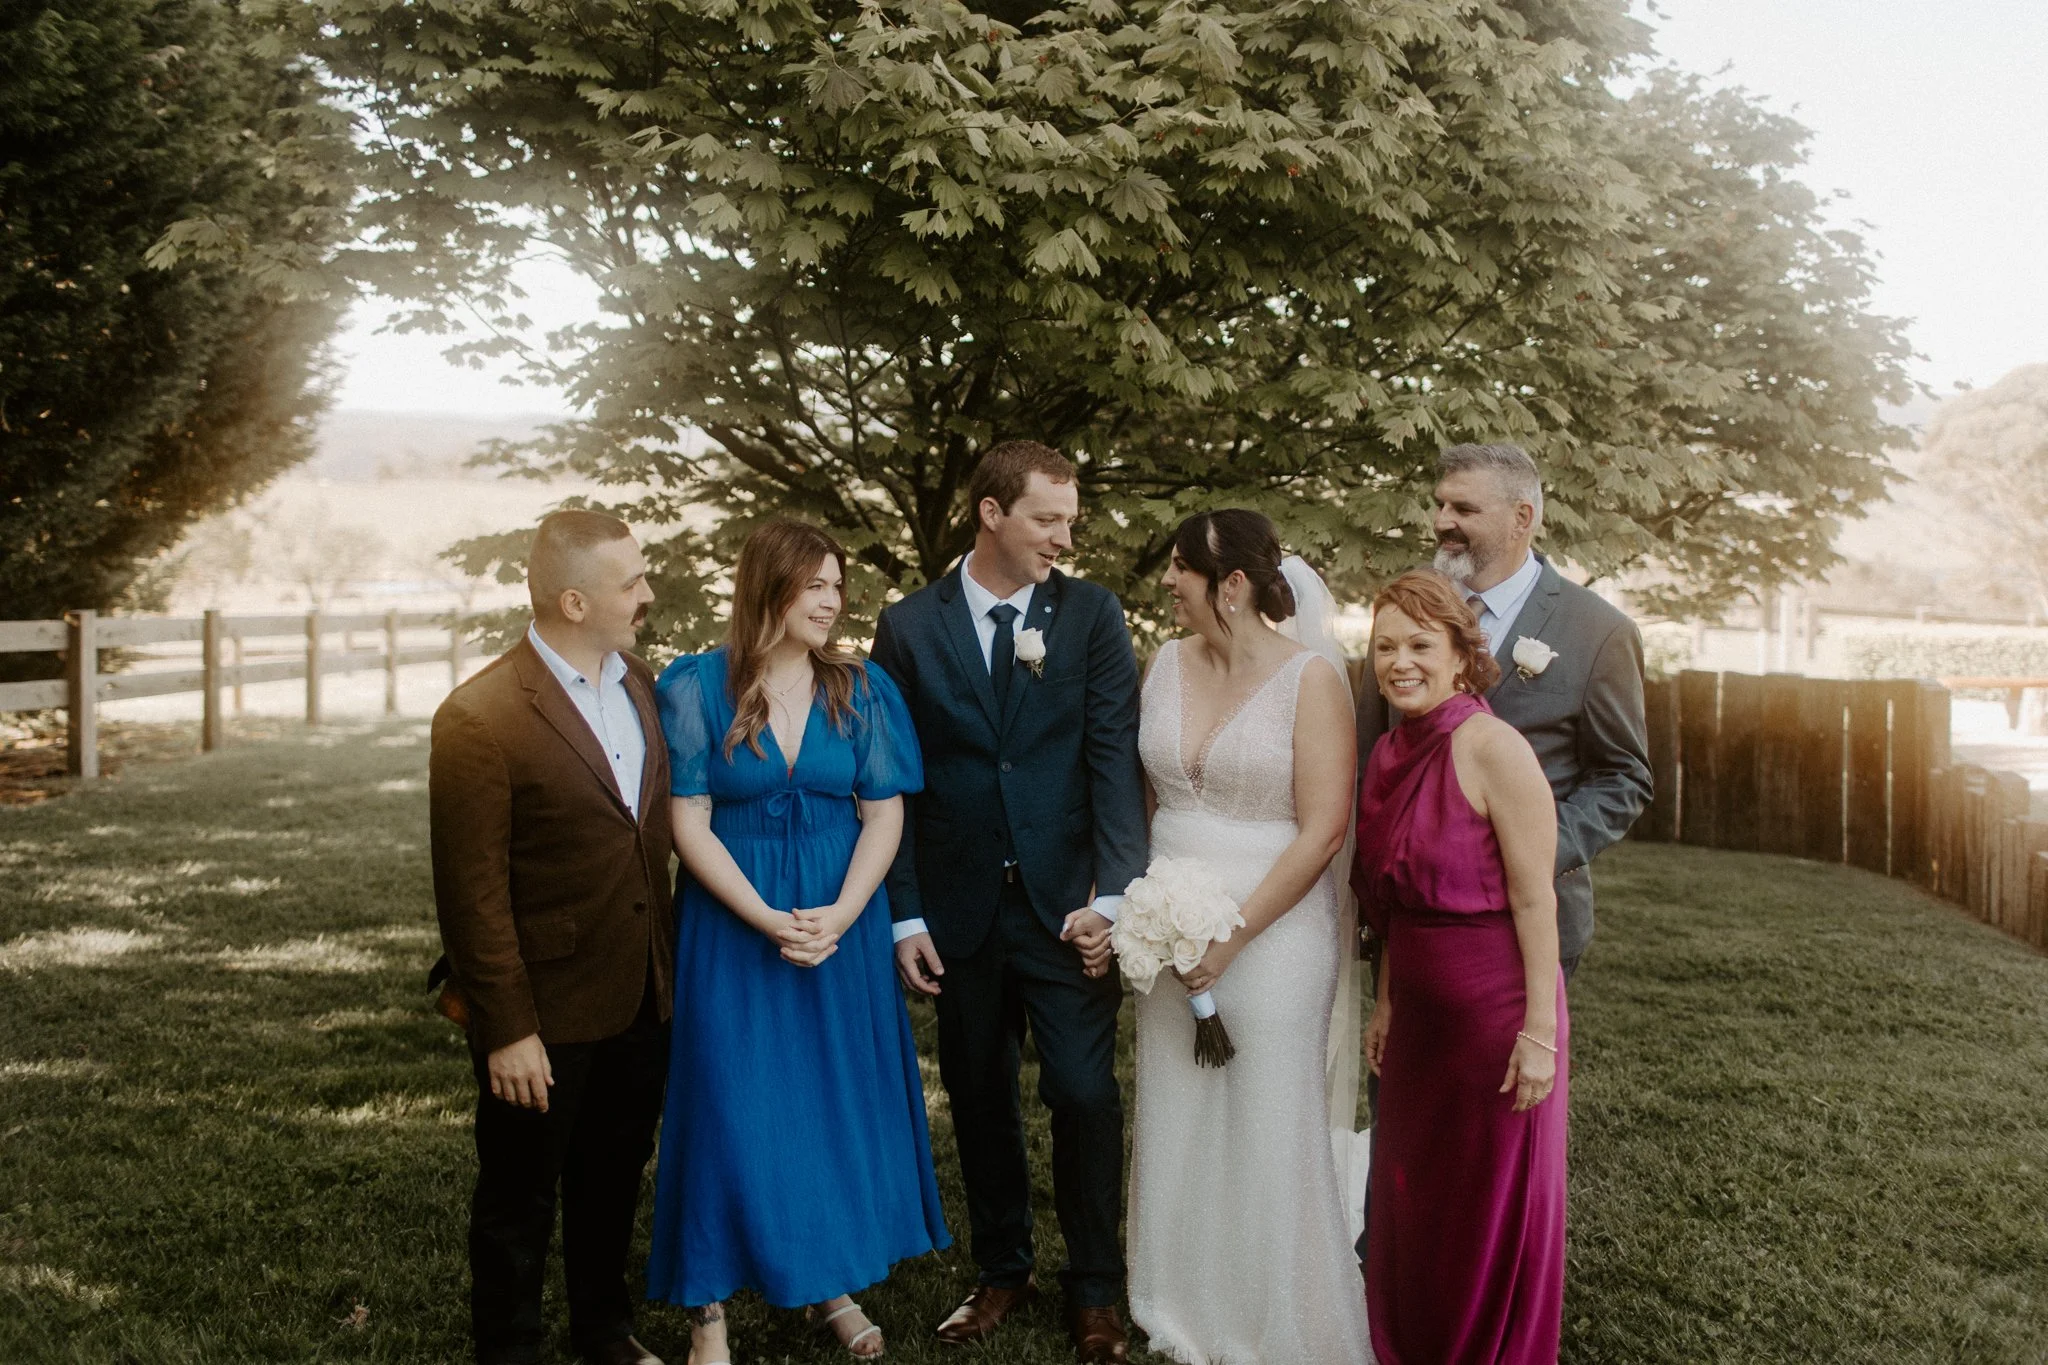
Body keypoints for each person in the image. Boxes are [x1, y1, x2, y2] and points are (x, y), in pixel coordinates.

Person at [870, 440, 1148, 1364]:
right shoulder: (908, 626)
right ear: (991, 513)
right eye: (1046, 519)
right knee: (981, 1094)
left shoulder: (1094, 616)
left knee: (1083, 1092)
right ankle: (1002, 1268)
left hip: (1068, 908)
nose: (1064, 537)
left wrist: (1114, 896)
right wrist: (904, 914)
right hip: (956, 913)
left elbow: (1114, 763)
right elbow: (893, 783)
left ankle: (1097, 1290)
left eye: (1070, 519)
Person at [646, 519, 948, 1365]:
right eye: (813, 584)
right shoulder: (699, 685)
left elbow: (885, 809)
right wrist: (764, 916)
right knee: (725, 1105)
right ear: (768, 587)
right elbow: (688, 818)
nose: (831, 600)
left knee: (823, 1102)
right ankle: (707, 1312)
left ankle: (827, 1282)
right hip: (732, 923)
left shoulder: (860, 687)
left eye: (836, 586)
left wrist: (849, 913)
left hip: (837, 923)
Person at [1126, 509, 1374, 1364]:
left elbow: (1323, 830)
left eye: (1180, 569)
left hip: (1274, 933)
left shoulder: (1313, 681)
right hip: (1167, 929)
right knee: (1180, 1107)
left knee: (1263, 1112)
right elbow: (1150, 801)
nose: (1167, 583)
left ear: (1231, 585)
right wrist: (1138, 907)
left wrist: (1229, 938)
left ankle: (1269, 1308)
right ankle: (1179, 1296)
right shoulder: (1163, 662)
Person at [428, 509, 674, 1365]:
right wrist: (508, 1028)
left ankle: (603, 1331)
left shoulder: (639, 682)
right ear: (575, 599)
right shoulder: (479, 715)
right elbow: (471, 896)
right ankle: (510, 1349)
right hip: (543, 1010)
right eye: (631, 581)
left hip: (641, 989)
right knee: (519, 1198)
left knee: (611, 1178)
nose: (647, 593)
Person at [1355, 569, 1567, 1365]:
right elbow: (1393, 903)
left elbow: (1535, 901)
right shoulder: (1385, 753)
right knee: (1413, 1198)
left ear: (1458, 655)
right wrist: (1384, 1003)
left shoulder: (1492, 747)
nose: (1399, 661)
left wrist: (1539, 1031)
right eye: (1384, 646)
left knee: (1480, 1206)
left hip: (1495, 1018)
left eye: (1419, 644)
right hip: (1417, 1016)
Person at [1358, 441, 1651, 981]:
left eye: (1464, 510)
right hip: (1411, 914)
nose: (1443, 520)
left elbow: (1622, 777)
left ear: (1523, 518)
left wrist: (1535, 848)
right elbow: (1367, 748)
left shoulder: (1599, 632)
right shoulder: (1404, 605)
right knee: (1396, 1066)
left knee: (1514, 1064)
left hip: (1530, 921)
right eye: (1441, 504)